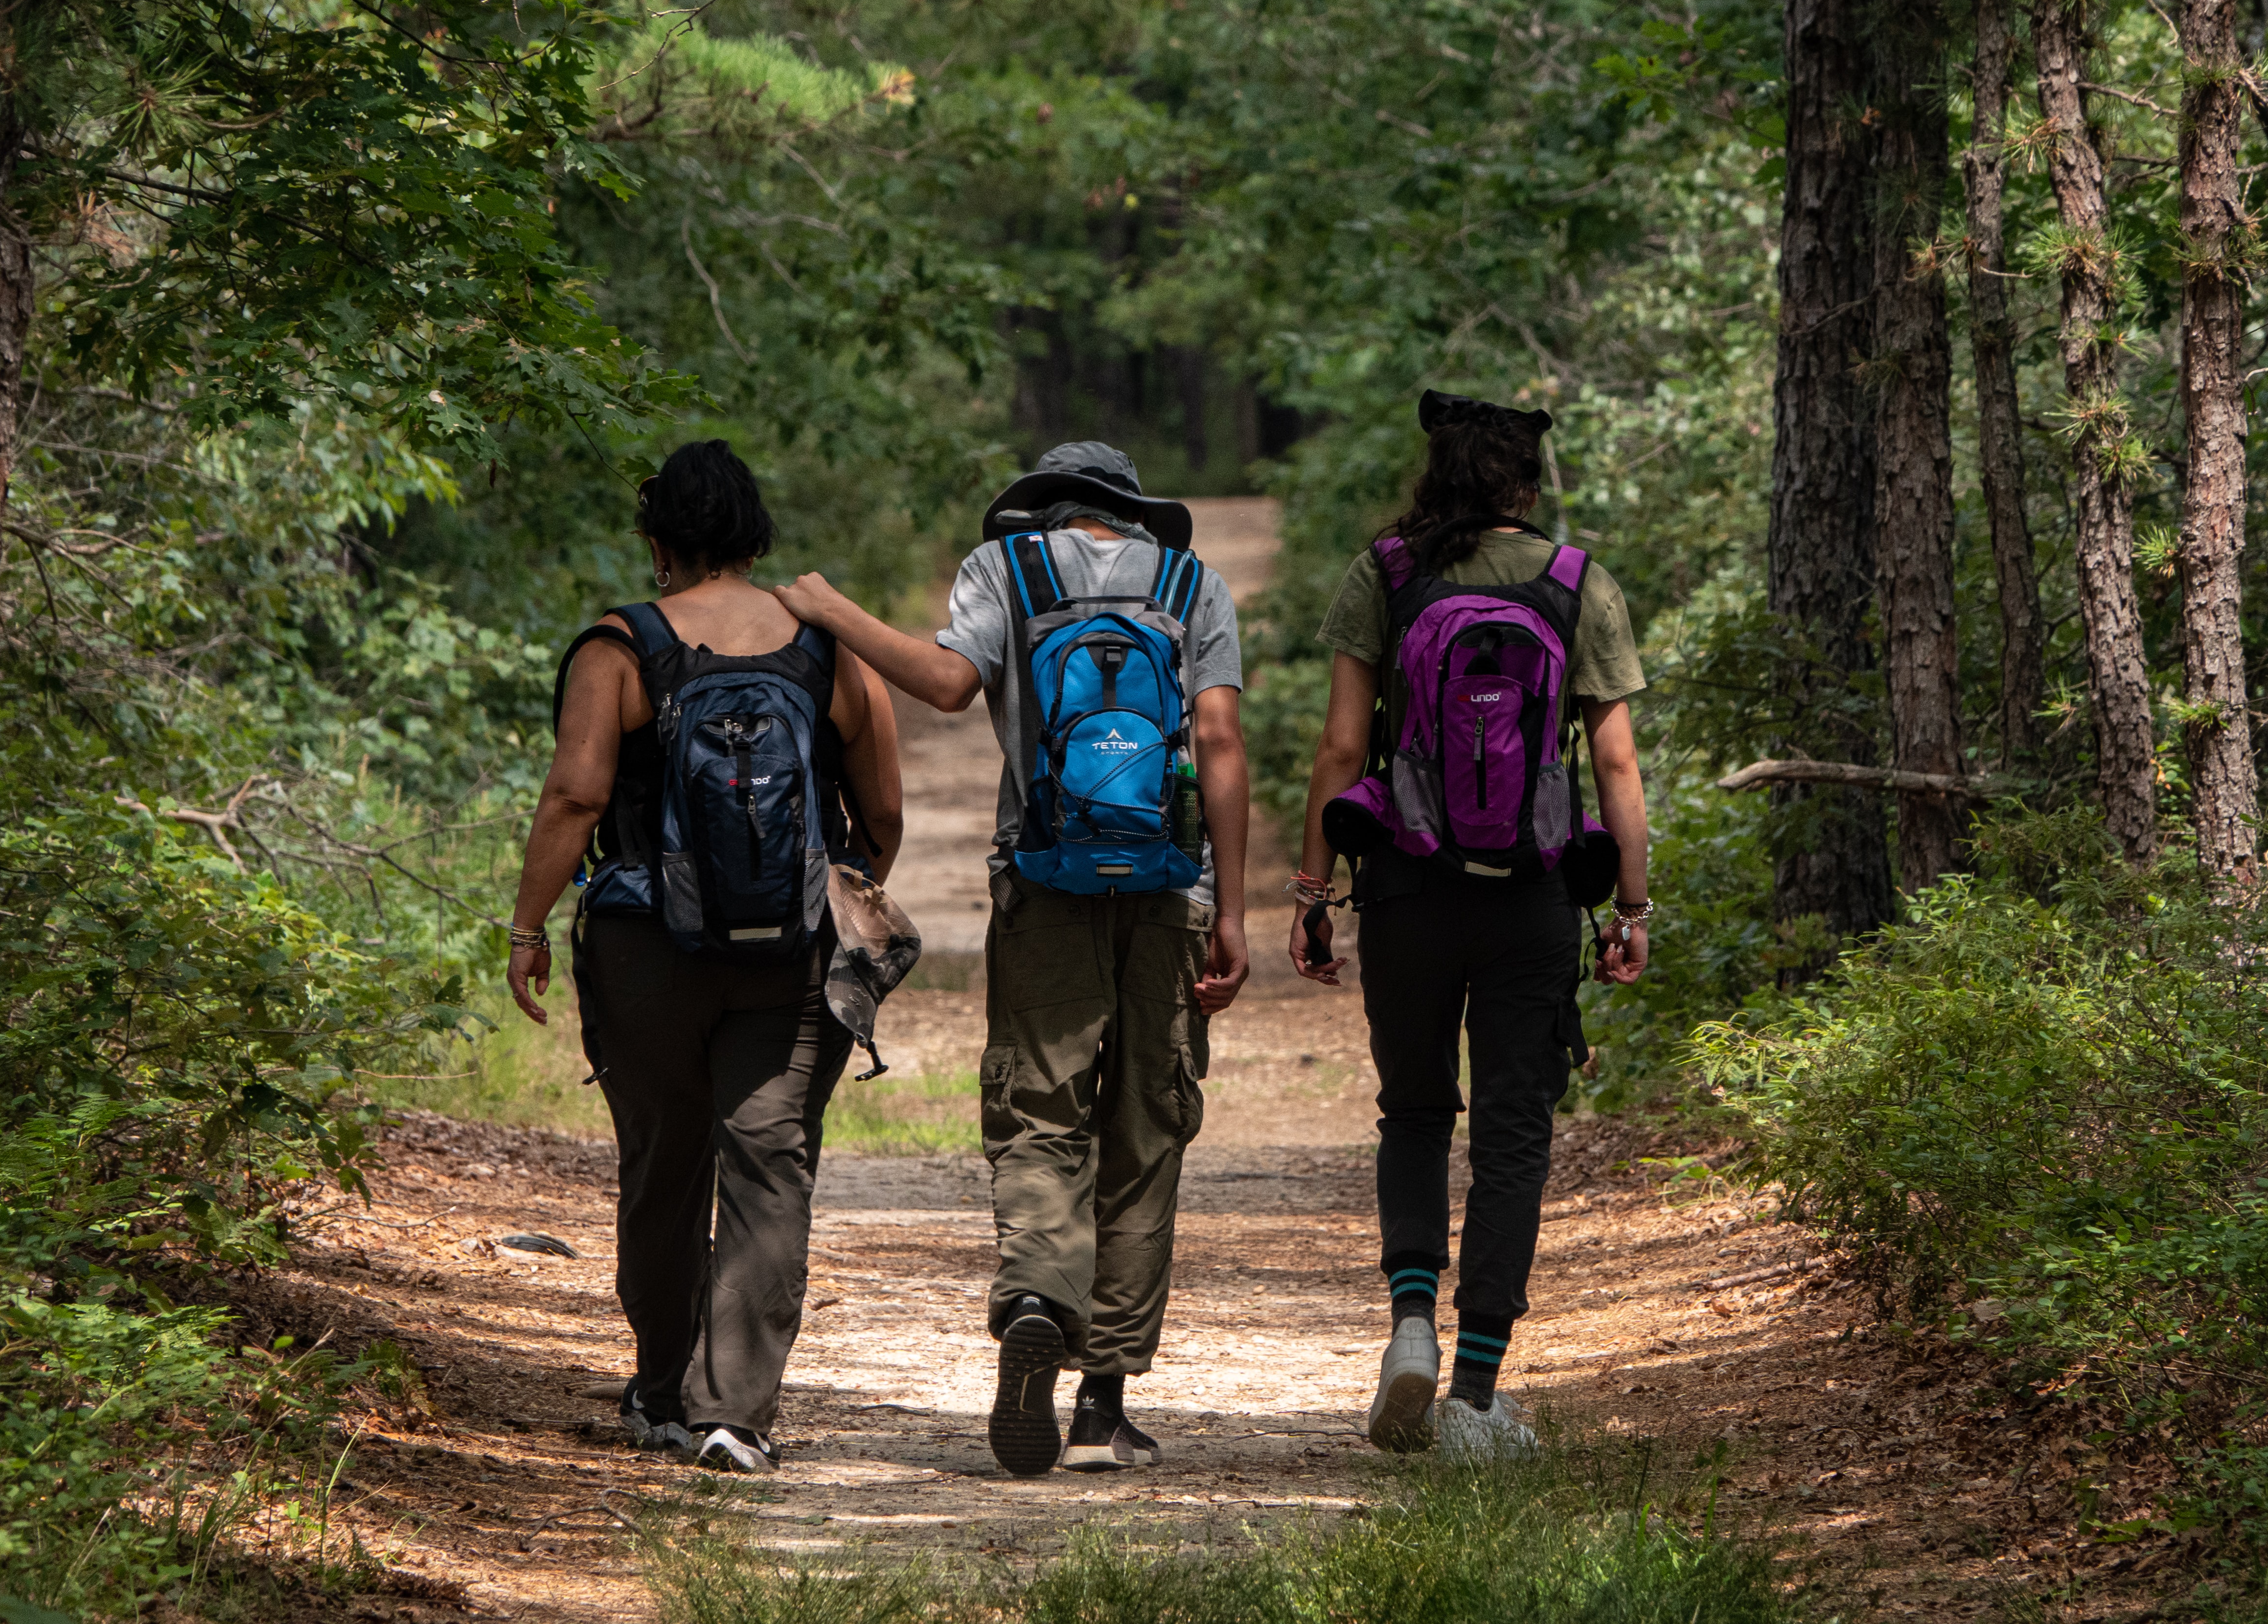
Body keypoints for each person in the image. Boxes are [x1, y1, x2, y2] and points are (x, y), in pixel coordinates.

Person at [774, 441, 1251, 1478]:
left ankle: (1038, 1297)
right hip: (1170, 888)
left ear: (1040, 507)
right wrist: (1235, 913)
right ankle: (1103, 1408)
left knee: (1043, 1111)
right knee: (1146, 1123)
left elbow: (948, 685)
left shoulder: (1009, 571)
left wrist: (831, 610)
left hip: (1041, 881)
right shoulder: (1192, 582)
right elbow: (1219, 742)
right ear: (1131, 511)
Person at [504, 439, 904, 1474]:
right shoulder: (825, 648)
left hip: (646, 949)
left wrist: (528, 923)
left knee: (665, 1163)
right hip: (791, 956)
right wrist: (828, 881)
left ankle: (664, 1390)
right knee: (770, 1170)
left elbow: (577, 795)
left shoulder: (620, 647)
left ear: (658, 540)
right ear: (756, 533)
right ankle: (737, 1415)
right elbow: (885, 810)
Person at [1289, 390, 1651, 1460]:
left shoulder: (1388, 575)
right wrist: (1630, 908)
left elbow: (1341, 752)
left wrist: (1313, 895)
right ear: (1526, 484)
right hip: (1532, 896)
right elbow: (1619, 765)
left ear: (1434, 474)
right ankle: (1477, 1395)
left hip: (1407, 888)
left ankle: (1410, 1325)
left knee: (1413, 1111)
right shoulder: (1577, 583)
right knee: (1511, 1134)